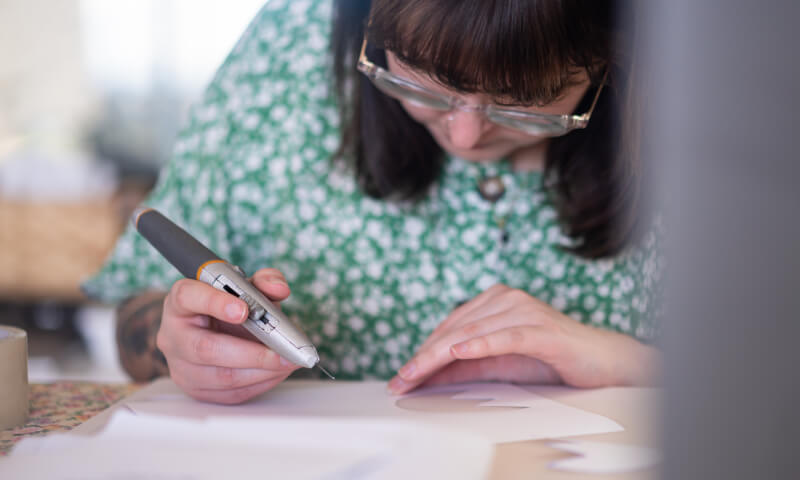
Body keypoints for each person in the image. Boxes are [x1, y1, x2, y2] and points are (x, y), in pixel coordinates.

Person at [83, 0, 662, 404]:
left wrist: (634, 365)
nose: (465, 137)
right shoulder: (289, 46)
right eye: (422, 81)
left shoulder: (693, 78)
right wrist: (186, 348)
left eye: (522, 102)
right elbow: (135, 318)